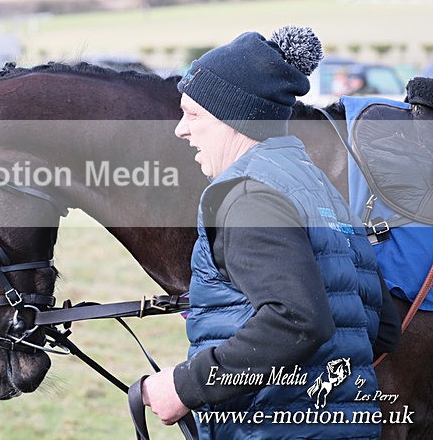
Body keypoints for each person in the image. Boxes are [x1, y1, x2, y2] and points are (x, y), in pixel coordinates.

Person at [143, 26, 401, 439]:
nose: (181, 130)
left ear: (234, 118)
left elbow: (298, 320)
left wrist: (184, 386)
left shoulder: (248, 195)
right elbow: (382, 326)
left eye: (193, 114)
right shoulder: (321, 190)